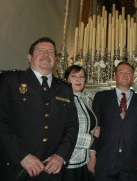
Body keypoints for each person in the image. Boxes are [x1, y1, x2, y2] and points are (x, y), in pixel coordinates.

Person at [0, 37, 78, 181]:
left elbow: (72, 125)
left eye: (51, 52)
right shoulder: (10, 81)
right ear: (29, 57)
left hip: (51, 169)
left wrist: (61, 155)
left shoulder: (65, 88)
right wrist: (21, 156)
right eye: (40, 50)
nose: (46, 54)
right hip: (16, 167)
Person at [91, 62, 137, 181]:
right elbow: (94, 127)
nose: (125, 75)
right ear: (115, 76)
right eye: (121, 72)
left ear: (133, 77)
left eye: (129, 73)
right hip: (105, 158)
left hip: (131, 160)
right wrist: (92, 155)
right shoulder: (101, 97)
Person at [62, 65, 100, 181]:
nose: (78, 80)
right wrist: (90, 139)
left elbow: (92, 127)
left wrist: (92, 155)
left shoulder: (86, 99)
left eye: (81, 77)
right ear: (66, 80)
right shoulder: (61, 101)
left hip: (85, 161)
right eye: (74, 76)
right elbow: (60, 133)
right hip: (67, 161)